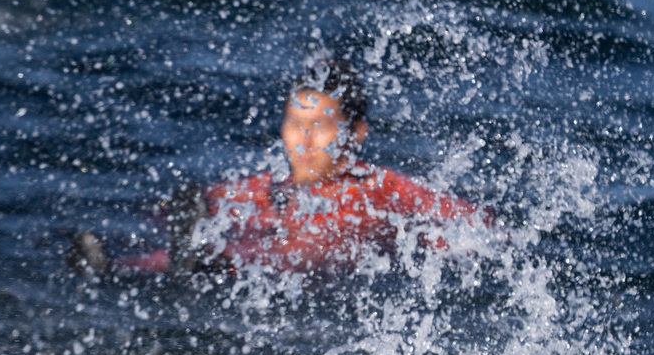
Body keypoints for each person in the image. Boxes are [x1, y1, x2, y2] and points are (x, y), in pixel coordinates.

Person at [70, 56, 491, 277]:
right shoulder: (265, 186)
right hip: (262, 243)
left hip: (303, 260)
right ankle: (122, 263)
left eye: (321, 126)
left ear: (355, 133)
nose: (304, 140)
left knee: (303, 241)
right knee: (214, 215)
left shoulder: (378, 186)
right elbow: (175, 210)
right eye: (295, 124)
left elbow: (472, 224)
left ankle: (187, 264)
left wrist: (442, 247)